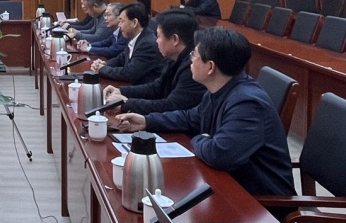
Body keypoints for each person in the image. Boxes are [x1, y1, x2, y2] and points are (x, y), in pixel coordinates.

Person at [114, 27, 293, 196]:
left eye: (194, 55)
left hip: (260, 202)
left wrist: (197, 138)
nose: (191, 60)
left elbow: (219, 154)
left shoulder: (247, 103)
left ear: (210, 67)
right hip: (227, 183)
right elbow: (190, 118)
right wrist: (146, 121)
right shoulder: (219, 88)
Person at [104, 9, 205, 115]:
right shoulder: (173, 59)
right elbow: (157, 87)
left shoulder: (193, 67)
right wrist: (121, 91)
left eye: (159, 36)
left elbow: (172, 106)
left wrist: (126, 103)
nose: (156, 41)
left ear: (175, 39)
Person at [91, 2, 164, 84]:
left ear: (134, 23)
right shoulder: (134, 37)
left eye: (122, 21)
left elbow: (129, 73)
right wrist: (105, 64)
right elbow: (121, 59)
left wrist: (102, 69)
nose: (119, 25)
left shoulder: (147, 44)